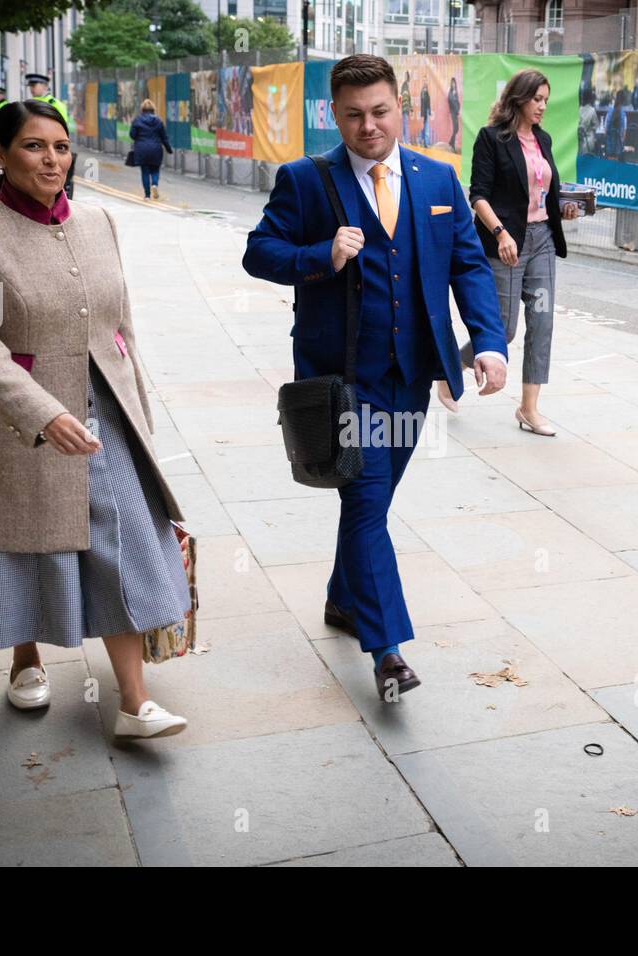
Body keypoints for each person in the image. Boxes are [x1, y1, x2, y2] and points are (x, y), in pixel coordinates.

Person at [0, 100, 192, 740]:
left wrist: (139, 413)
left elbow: (120, 327)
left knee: (120, 544)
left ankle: (134, 701)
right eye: (35, 146)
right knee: (27, 542)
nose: (52, 159)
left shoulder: (98, 220)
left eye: (61, 147)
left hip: (107, 416)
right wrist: (42, 413)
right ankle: (25, 658)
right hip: (17, 421)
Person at [243, 54, 507, 699]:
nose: (368, 126)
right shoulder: (306, 181)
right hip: (341, 381)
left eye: (380, 111)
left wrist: (489, 344)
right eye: (354, 114)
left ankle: (341, 597)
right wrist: (320, 255)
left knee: (374, 503)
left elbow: (467, 268)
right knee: (365, 503)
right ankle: (387, 649)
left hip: (410, 376)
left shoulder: (437, 180)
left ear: (401, 109)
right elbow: (258, 252)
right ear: (334, 113)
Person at [441, 68, 579, 435]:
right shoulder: (492, 139)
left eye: (546, 100)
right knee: (503, 329)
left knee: (543, 322)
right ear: (519, 99)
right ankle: (452, 365)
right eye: (537, 99)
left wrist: (562, 207)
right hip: (506, 244)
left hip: (542, 241)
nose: (543, 107)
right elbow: (478, 196)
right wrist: (501, 234)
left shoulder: (544, 139)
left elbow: (543, 190)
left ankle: (529, 409)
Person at [26, 73, 76, 198]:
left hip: (50, 147)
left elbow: (61, 130)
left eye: (34, 85)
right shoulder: (27, 104)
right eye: (30, 86)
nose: (32, 88)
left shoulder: (55, 104)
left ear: (44, 86)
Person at [130, 97, 172, 200]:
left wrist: (139, 137)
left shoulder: (137, 120)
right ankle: (154, 184)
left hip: (142, 149)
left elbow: (132, 135)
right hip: (156, 149)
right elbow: (164, 137)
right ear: (153, 109)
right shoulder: (158, 121)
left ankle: (147, 195)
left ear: (142, 109)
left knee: (145, 172)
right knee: (155, 170)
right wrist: (168, 149)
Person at [602, 88, 632, 161]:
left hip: (609, 149)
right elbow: (623, 137)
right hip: (618, 151)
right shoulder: (623, 115)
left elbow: (605, 133)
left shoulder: (609, 112)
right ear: (624, 101)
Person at [447, 76, 461, 151]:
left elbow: (458, 101)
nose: (453, 85)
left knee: (457, 129)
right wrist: (454, 95)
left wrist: (458, 108)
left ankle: (451, 142)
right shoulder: (451, 91)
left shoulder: (456, 91)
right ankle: (452, 145)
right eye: (452, 83)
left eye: (454, 83)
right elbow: (450, 99)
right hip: (452, 112)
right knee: (455, 128)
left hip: (456, 112)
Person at [418, 79, 432, 147]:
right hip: (425, 112)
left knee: (425, 127)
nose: (425, 83)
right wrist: (425, 112)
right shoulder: (423, 92)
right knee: (426, 128)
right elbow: (424, 102)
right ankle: (425, 143)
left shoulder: (426, 92)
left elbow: (428, 103)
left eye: (426, 81)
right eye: (424, 82)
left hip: (426, 111)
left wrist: (429, 111)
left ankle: (422, 141)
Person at [400, 72, 412, 142]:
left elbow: (408, 97)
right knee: (405, 124)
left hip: (406, 108)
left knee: (405, 124)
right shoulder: (404, 85)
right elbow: (404, 96)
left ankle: (405, 140)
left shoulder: (406, 85)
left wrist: (410, 107)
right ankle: (406, 140)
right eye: (405, 76)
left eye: (406, 76)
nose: (405, 77)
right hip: (404, 107)